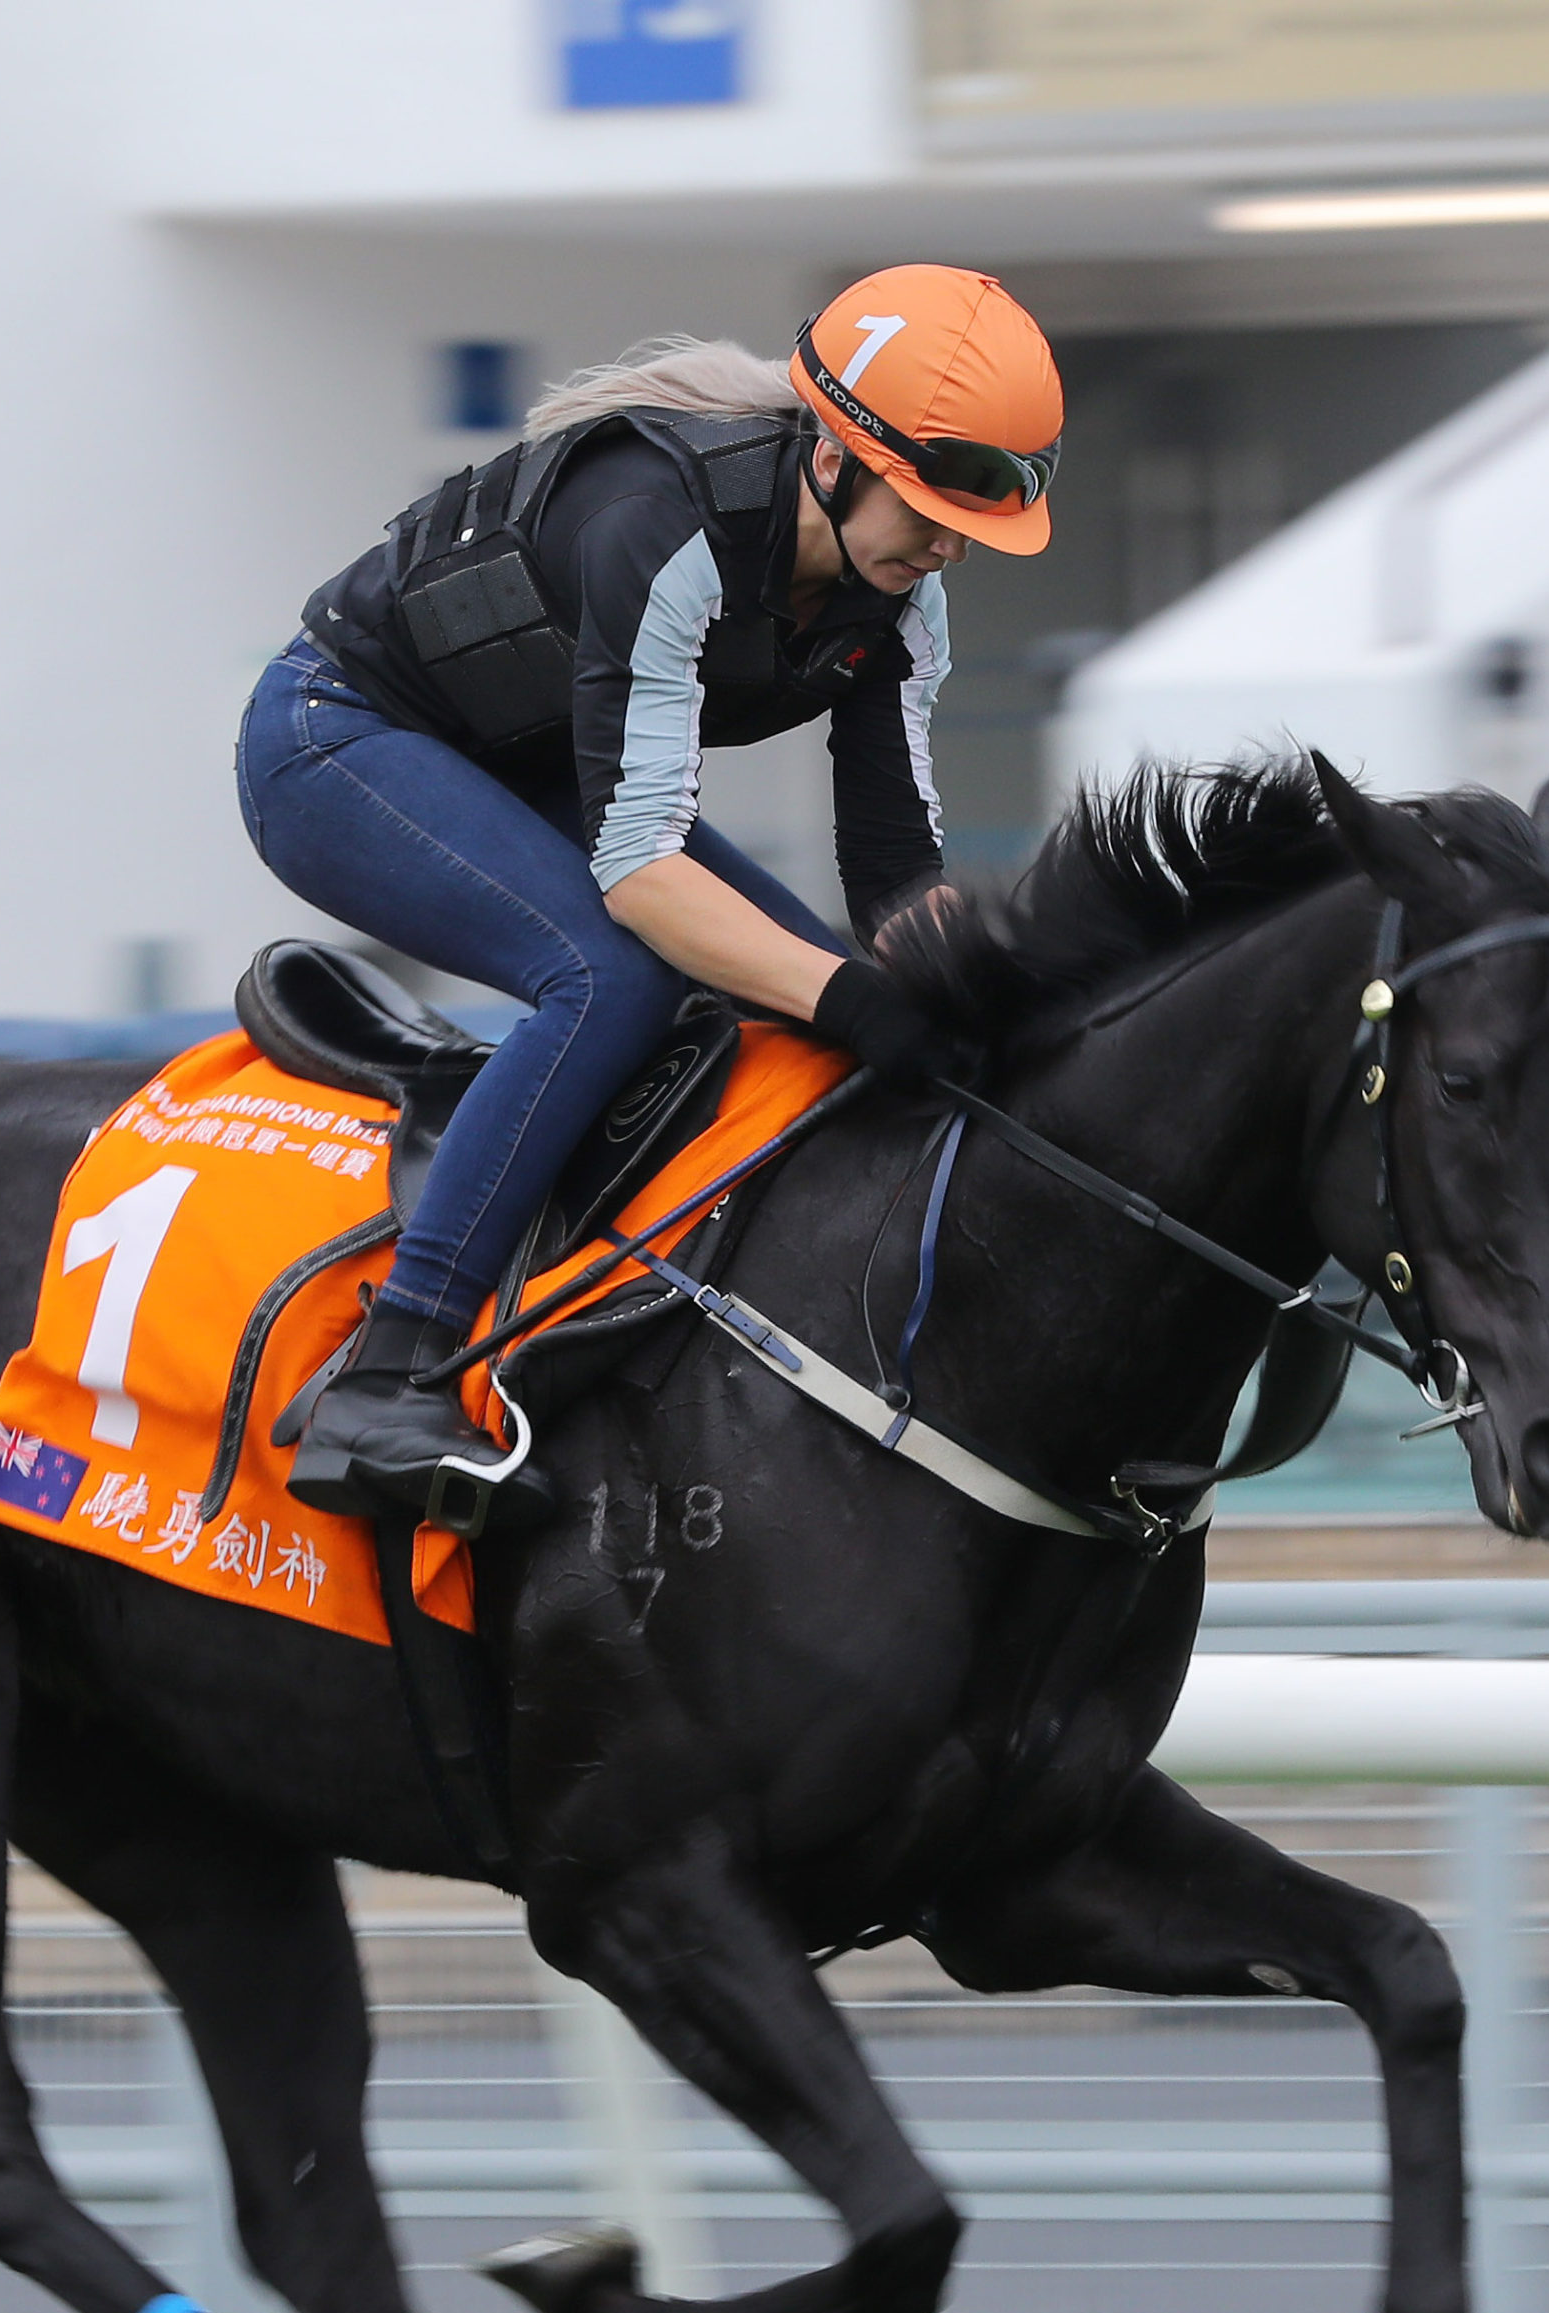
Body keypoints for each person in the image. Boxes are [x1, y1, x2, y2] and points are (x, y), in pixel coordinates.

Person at [241, 263, 1064, 1527]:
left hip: (527, 768)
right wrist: (859, 997)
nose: (947, 544)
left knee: (818, 1006)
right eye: (925, 507)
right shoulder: (659, 526)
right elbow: (641, 882)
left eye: (972, 523)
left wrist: (971, 1003)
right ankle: (388, 1371)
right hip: (336, 738)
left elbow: (895, 874)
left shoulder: (905, 594)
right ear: (834, 458)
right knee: (614, 977)